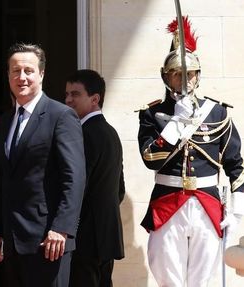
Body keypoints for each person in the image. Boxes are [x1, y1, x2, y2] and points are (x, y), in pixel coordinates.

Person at [137, 17, 244, 286]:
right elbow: (151, 159)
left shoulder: (217, 112)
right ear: (166, 77)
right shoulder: (153, 114)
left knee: (202, 279)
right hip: (167, 203)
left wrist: (238, 213)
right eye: (177, 74)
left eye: (191, 73)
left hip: (207, 205)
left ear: (199, 75)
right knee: (167, 274)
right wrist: (176, 123)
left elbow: (236, 166)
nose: (185, 79)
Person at [0, 43, 86, 287]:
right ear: (8, 75)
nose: (22, 77)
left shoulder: (60, 116)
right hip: (13, 241)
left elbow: (75, 177)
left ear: (41, 74)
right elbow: (2, 179)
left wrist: (61, 228)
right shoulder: (7, 120)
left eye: (28, 71)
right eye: (15, 71)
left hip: (49, 240)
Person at [64, 69, 125, 287]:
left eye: (75, 94)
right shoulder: (111, 132)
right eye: (67, 94)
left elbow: (77, 187)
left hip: (85, 237)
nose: (68, 100)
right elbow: (119, 190)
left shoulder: (83, 133)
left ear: (95, 99)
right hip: (105, 235)